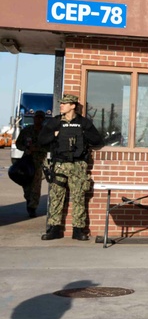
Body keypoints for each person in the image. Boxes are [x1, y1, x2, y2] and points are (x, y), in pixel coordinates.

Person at [38, 95, 103, 241]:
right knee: (56, 197)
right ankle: (54, 229)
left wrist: (82, 135)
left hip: (78, 165)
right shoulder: (55, 122)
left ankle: (78, 230)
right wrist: (55, 135)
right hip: (59, 164)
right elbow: (41, 139)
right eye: (61, 104)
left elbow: (97, 139)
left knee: (79, 197)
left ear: (73, 106)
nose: (61, 106)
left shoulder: (83, 122)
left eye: (64, 104)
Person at [14, 110, 48, 218]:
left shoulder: (45, 132)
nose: (38, 119)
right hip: (27, 161)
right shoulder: (26, 130)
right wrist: (27, 148)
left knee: (36, 186)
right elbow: (18, 143)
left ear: (43, 119)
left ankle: (32, 208)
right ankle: (29, 199)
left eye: (40, 118)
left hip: (39, 162)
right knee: (26, 185)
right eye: (36, 117)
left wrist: (37, 148)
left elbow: (50, 146)